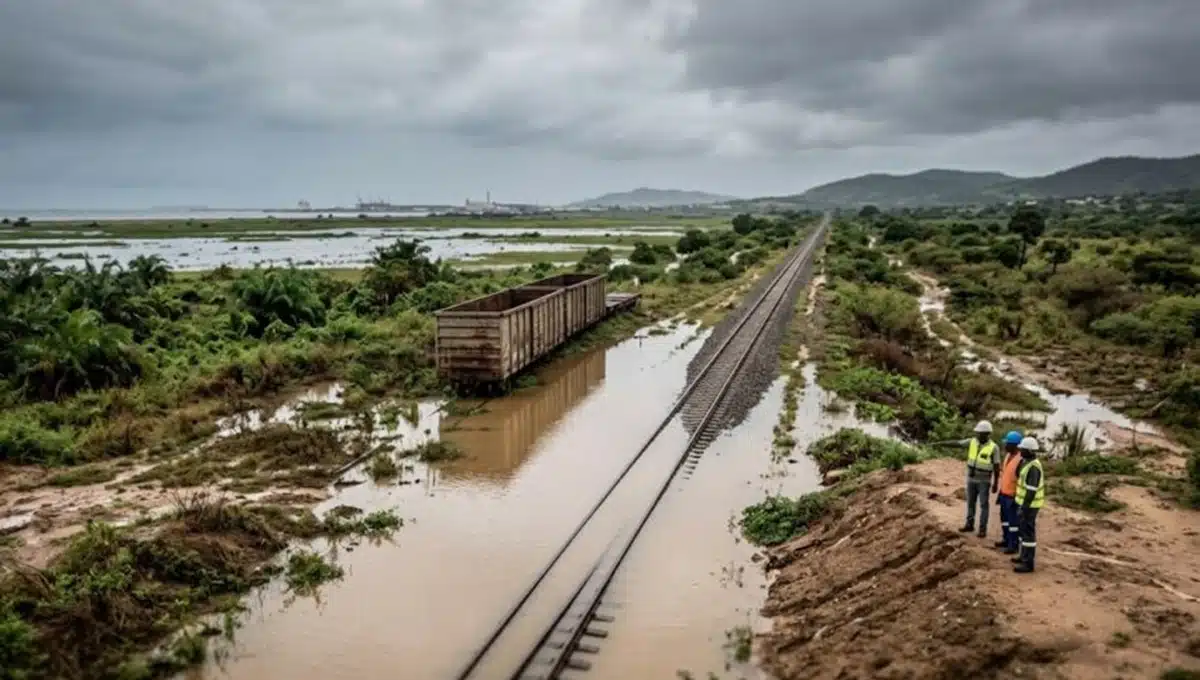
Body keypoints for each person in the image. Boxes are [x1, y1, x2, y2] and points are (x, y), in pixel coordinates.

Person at [958, 420, 997, 538]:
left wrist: (996, 483)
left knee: (984, 505)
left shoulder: (994, 447)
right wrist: (940, 443)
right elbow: (957, 443)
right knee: (971, 502)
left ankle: (982, 529)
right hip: (971, 478)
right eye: (978, 432)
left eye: (980, 433)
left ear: (987, 434)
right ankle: (969, 524)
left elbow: (997, 466)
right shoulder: (972, 442)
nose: (978, 434)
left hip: (984, 480)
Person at [1012, 436, 1045, 574]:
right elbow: (1018, 475)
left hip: (1030, 505)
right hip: (1024, 503)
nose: (1020, 451)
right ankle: (1023, 555)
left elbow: (1031, 490)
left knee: (1028, 533)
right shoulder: (1026, 462)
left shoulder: (1033, 467)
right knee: (1023, 531)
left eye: (1023, 449)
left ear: (1030, 451)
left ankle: (1028, 563)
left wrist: (1024, 508)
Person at [993, 431, 1023, 554]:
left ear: (1015, 445)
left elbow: (1020, 481)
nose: (1005, 446)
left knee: (1013, 522)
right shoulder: (1008, 456)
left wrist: (1017, 496)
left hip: (1013, 496)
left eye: (1007, 443)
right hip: (1004, 494)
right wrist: (1000, 492)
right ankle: (1006, 539)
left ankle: (1013, 545)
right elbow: (1006, 475)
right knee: (1005, 520)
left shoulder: (1020, 460)